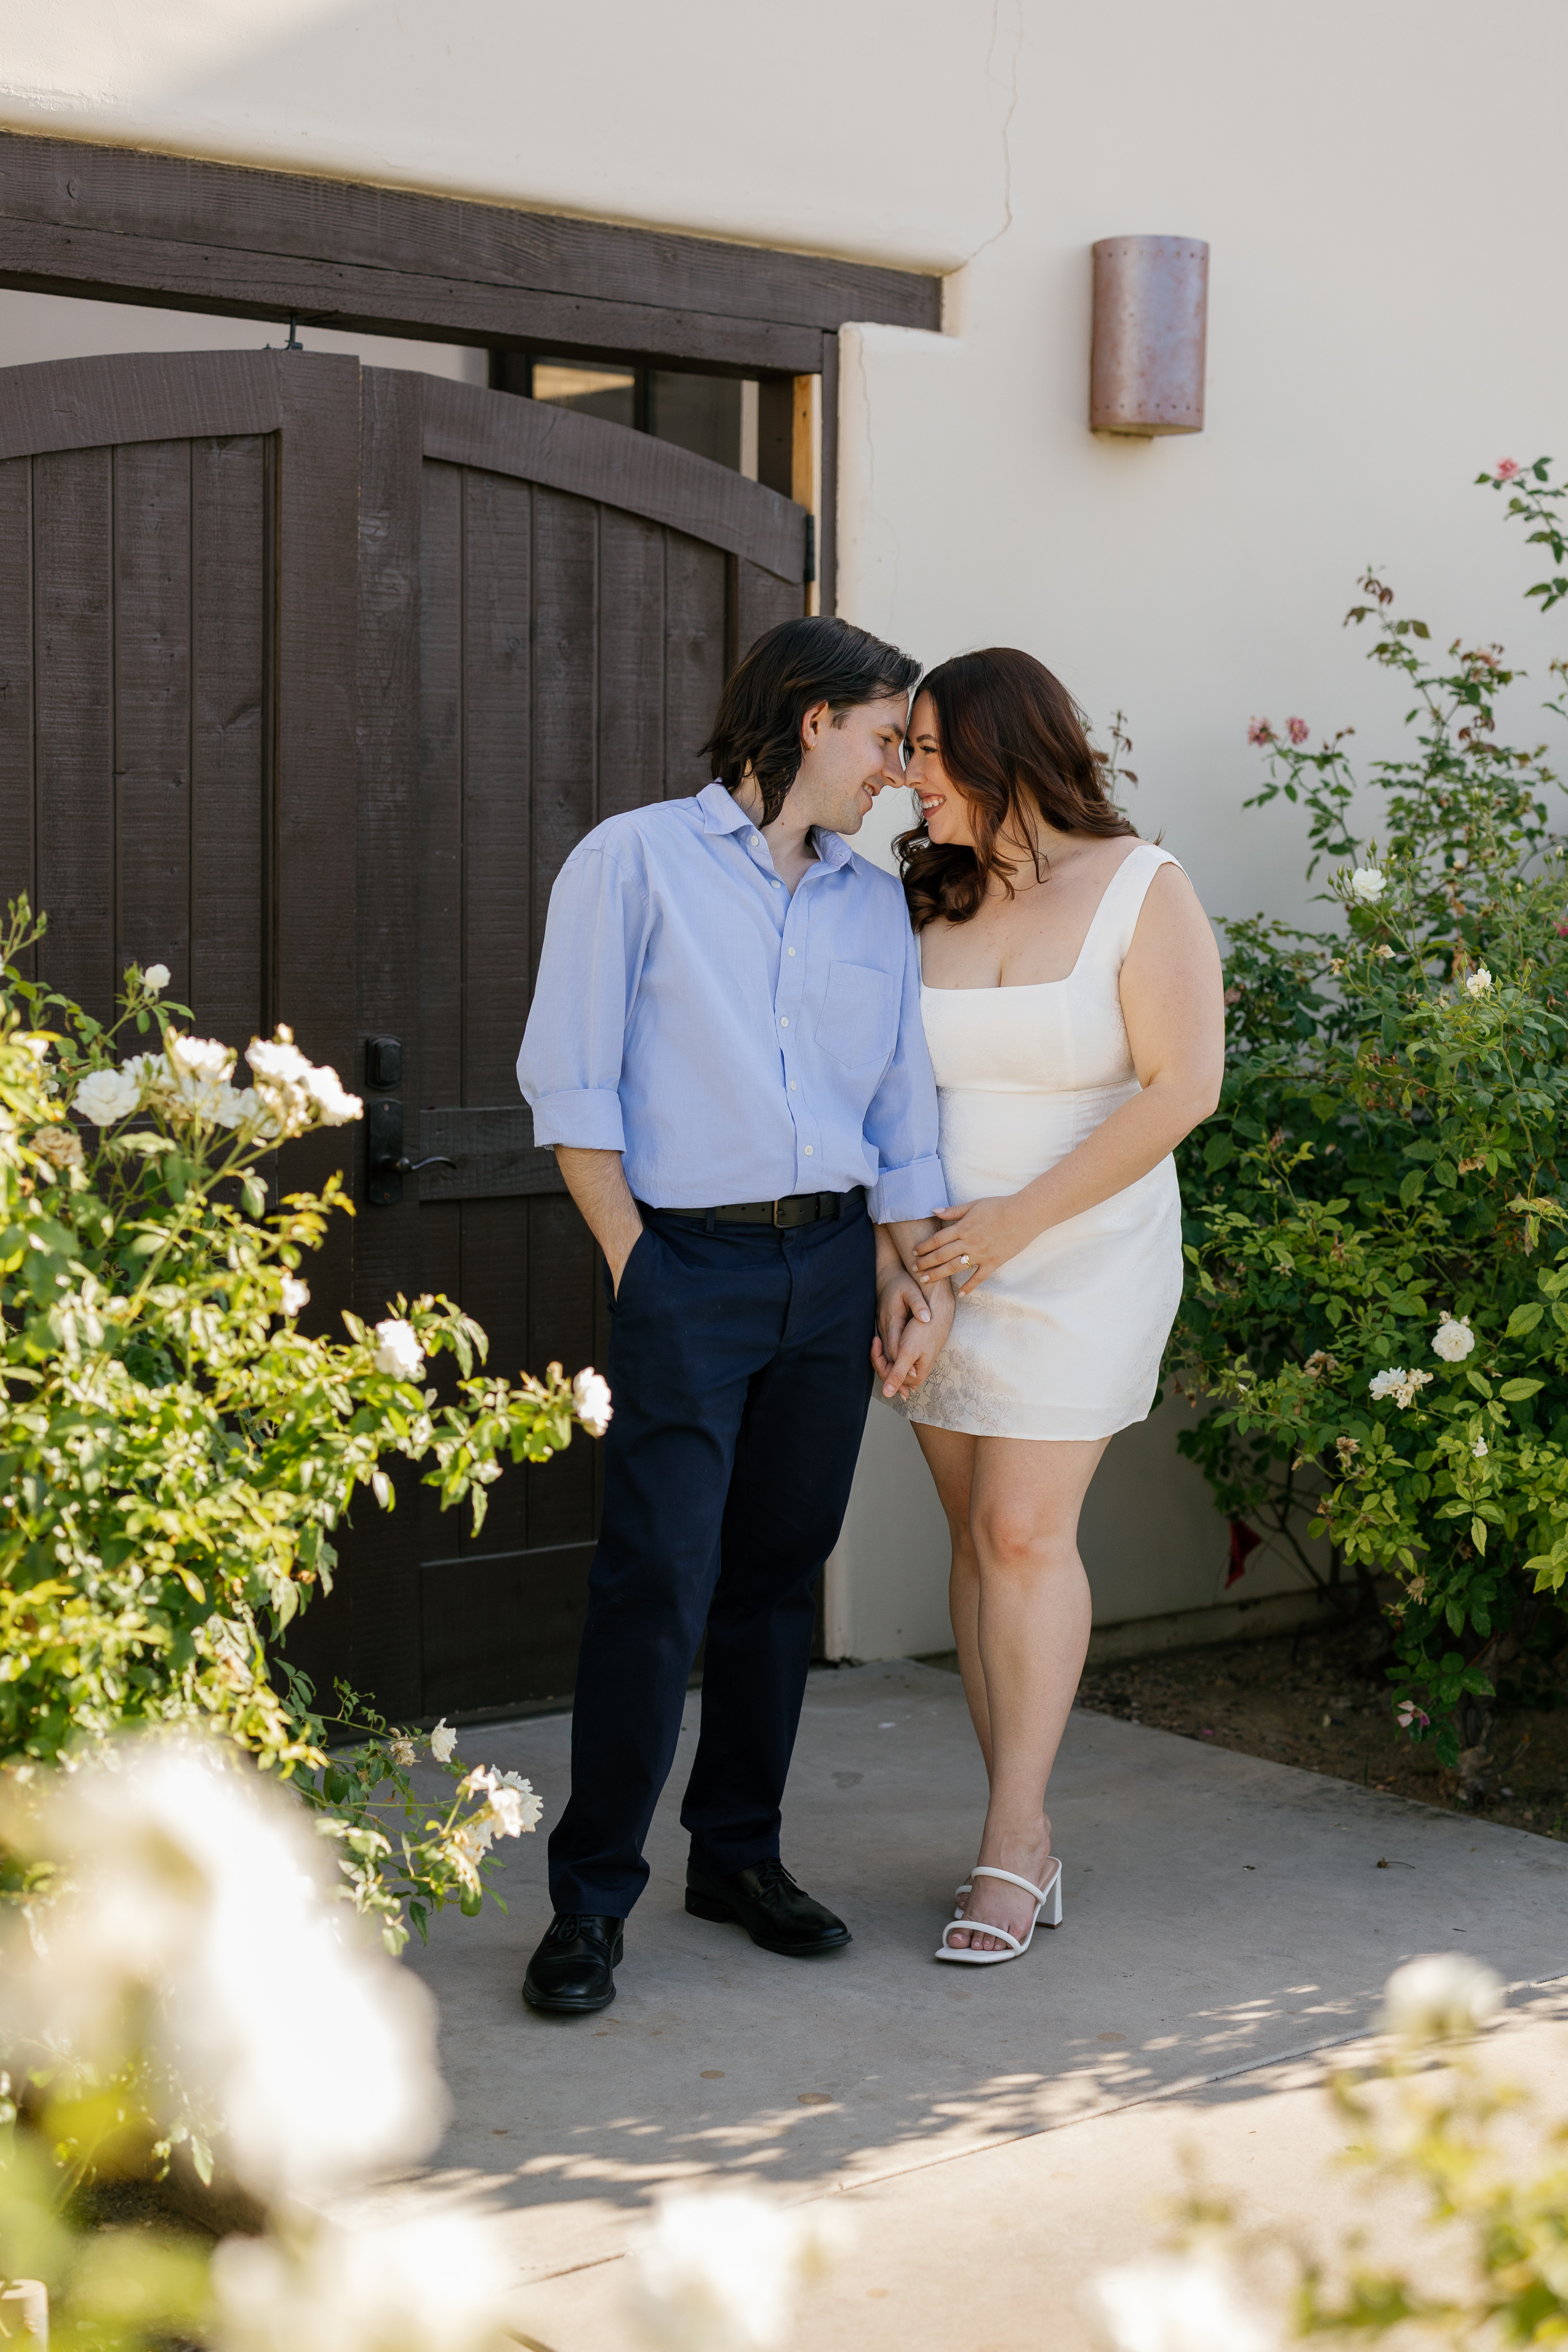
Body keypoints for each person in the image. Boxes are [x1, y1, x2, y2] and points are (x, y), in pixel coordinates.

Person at [514, 615, 954, 2015]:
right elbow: (571, 1088)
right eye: (889, 739)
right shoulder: (630, 861)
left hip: (829, 1270)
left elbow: (898, 1109)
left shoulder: (871, 903)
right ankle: (590, 1900)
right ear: (812, 720)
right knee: (656, 1585)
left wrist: (900, 1272)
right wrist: (640, 1262)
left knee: (777, 1578)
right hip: (688, 1271)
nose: (899, 771)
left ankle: (738, 1856)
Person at [882, 648, 1224, 1967]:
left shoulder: (1145, 888)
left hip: (1080, 1252)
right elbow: (889, 1098)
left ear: (1001, 749)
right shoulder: (925, 899)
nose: (907, 778)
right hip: (934, 1269)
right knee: (976, 1544)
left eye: (925, 750)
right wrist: (913, 1265)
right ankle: (1014, 1826)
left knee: (1027, 1536)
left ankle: (1014, 1841)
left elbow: (1180, 1087)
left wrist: (1016, 1227)